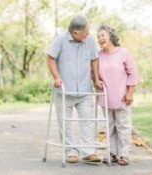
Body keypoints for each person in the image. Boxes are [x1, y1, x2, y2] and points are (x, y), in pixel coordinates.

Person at [47, 15, 102, 163]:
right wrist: (56, 77)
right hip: (65, 91)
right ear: (75, 32)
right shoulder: (60, 39)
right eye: (86, 31)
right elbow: (50, 58)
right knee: (65, 123)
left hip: (84, 90)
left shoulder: (89, 40)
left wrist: (96, 79)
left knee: (88, 120)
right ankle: (70, 152)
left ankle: (88, 151)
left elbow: (94, 59)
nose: (88, 34)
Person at [95, 25, 140, 166]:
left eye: (102, 35)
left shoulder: (123, 53)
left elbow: (132, 73)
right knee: (109, 126)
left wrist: (130, 92)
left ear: (110, 36)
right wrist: (96, 79)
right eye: (98, 36)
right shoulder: (98, 55)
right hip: (105, 98)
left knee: (123, 127)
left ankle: (124, 155)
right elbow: (94, 74)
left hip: (122, 97)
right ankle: (113, 154)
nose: (100, 38)